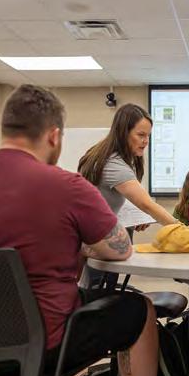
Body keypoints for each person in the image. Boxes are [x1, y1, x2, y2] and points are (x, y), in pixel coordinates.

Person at [0, 85, 159, 376]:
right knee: (140, 309)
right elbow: (121, 249)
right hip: (43, 352)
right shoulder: (68, 186)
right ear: (54, 136)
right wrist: (82, 243)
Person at [78, 103, 180, 287]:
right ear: (123, 133)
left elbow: (104, 199)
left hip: (90, 238)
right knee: (98, 292)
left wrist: (136, 218)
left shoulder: (103, 155)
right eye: (141, 135)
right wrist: (181, 229)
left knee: (97, 290)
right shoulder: (113, 163)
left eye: (148, 135)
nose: (146, 141)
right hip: (93, 241)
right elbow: (147, 204)